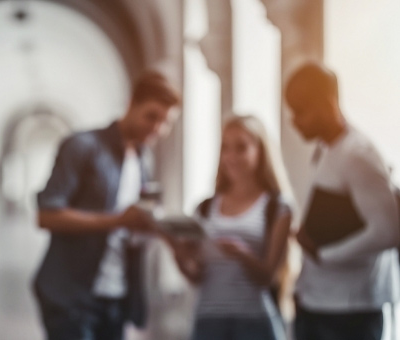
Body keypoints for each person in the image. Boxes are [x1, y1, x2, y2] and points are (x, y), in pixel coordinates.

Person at [34, 72, 181, 340]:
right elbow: (47, 215)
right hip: (71, 298)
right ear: (131, 103)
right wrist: (118, 221)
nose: (158, 128)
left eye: (166, 122)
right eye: (152, 116)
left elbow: (132, 229)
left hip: (117, 298)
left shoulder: (142, 160)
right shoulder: (81, 145)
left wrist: (159, 229)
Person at [285, 62, 400, 340]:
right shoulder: (328, 149)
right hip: (318, 304)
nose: (294, 121)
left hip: (348, 314)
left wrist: (324, 255)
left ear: (326, 103)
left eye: (301, 110)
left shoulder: (358, 154)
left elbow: (388, 232)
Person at [172, 115, 293, 340]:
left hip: (255, 322)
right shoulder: (205, 208)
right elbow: (197, 277)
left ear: (260, 150)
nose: (231, 156)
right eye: (225, 148)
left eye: (241, 148)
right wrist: (179, 255)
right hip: (208, 320)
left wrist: (242, 255)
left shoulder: (277, 207)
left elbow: (268, 276)